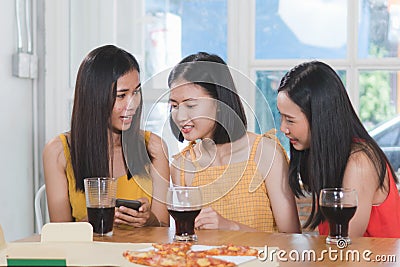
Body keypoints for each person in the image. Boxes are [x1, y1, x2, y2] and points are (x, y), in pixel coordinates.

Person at [168, 52, 301, 233]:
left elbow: (292, 239)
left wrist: (230, 227)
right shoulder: (182, 166)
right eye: (174, 106)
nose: (180, 116)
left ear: (220, 103)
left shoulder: (266, 153)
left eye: (191, 105)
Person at [43, 45, 170, 227]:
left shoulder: (154, 147)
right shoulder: (58, 151)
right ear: (94, 98)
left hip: (142, 254)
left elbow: (163, 226)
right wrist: (94, 220)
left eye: (136, 92)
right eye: (121, 95)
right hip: (88, 255)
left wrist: (147, 219)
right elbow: (60, 234)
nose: (132, 104)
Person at [277, 60, 400, 237]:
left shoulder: (360, 162)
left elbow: (344, 244)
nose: (283, 128)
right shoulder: (332, 158)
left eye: (290, 120)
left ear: (320, 119)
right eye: (281, 117)